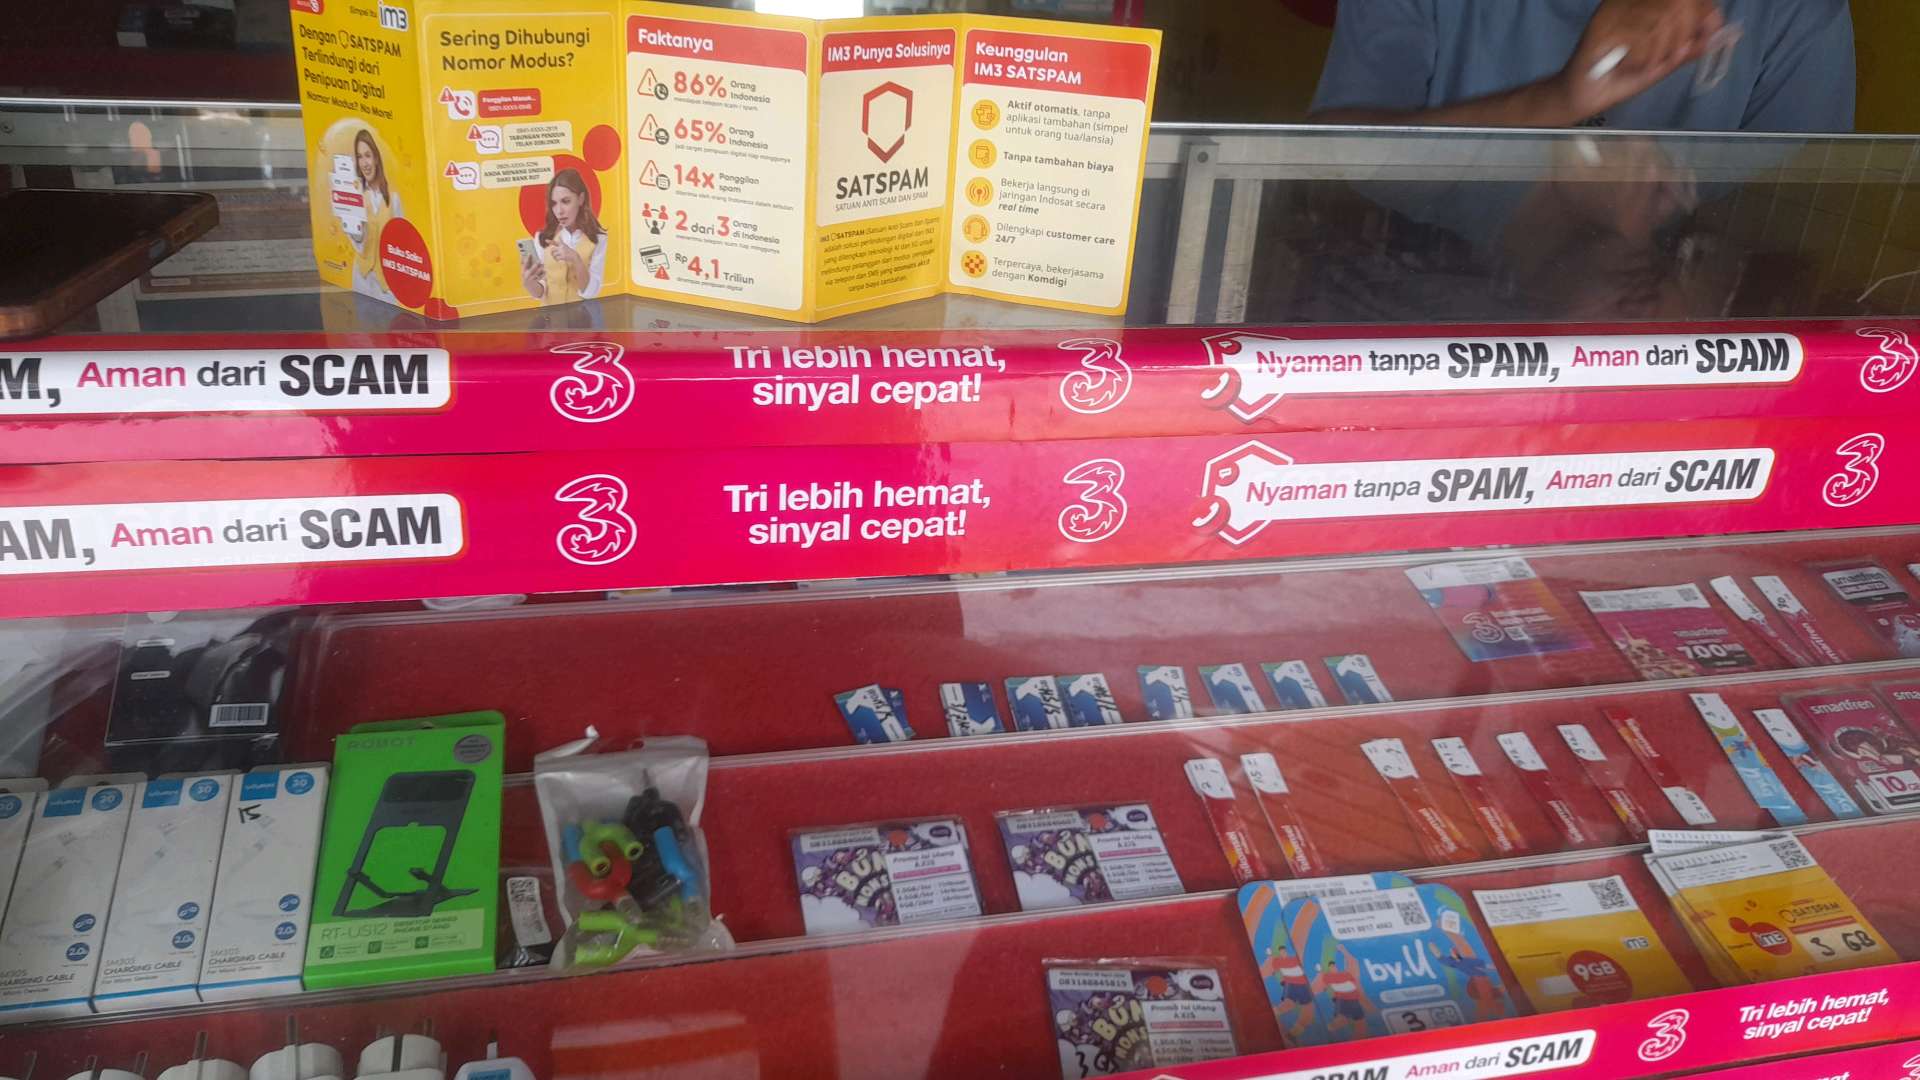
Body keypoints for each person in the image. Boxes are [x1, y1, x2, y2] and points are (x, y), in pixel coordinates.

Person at [1311, 0, 1854, 132]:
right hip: (1439, 328)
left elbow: (1802, 235)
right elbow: (1330, 167)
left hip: (1687, 347)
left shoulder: (1797, 11)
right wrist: (1556, 101)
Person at [522, 168, 608, 305]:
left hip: (583, 316)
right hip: (550, 316)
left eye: (566, 201)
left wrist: (576, 259)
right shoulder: (542, 238)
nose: (559, 211)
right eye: (554, 204)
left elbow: (591, 292)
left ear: (581, 199)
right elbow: (541, 291)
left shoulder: (598, 238)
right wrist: (529, 284)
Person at [350, 128, 400, 295]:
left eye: (368, 155)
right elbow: (357, 241)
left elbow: (400, 243)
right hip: (362, 279)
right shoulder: (355, 195)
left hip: (388, 285)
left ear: (376, 158)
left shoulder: (394, 199)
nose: (364, 163)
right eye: (359, 157)